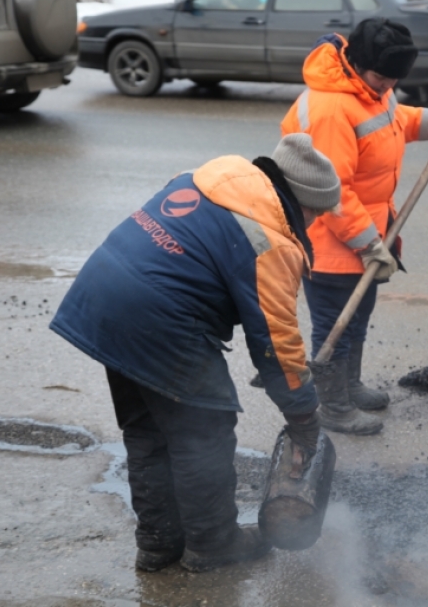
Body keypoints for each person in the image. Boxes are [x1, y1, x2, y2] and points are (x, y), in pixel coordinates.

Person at [49, 134, 341, 572]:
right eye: (317, 212)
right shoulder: (270, 240)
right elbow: (276, 340)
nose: (317, 222)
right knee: (204, 429)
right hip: (159, 315)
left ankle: (158, 542)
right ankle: (213, 544)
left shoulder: (215, 176)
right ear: (301, 200)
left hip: (103, 295)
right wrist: (304, 417)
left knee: (148, 431)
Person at [277, 17, 428, 436]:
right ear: (357, 64)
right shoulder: (330, 109)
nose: (387, 87)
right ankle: (333, 406)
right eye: (382, 78)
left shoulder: (370, 88)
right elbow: (332, 193)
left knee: (357, 316)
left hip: (368, 232)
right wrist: (368, 244)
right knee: (335, 324)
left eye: (394, 80)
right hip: (330, 239)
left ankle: (349, 384)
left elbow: (392, 123)